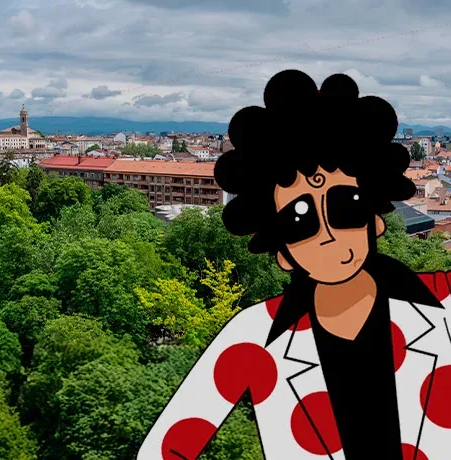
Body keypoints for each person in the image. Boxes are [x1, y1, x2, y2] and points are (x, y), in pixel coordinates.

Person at [137, 69, 451, 459]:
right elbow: (167, 446)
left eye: (346, 206)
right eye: (299, 222)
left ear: (375, 220)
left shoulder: (444, 303)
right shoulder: (252, 339)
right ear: (283, 252)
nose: (329, 234)